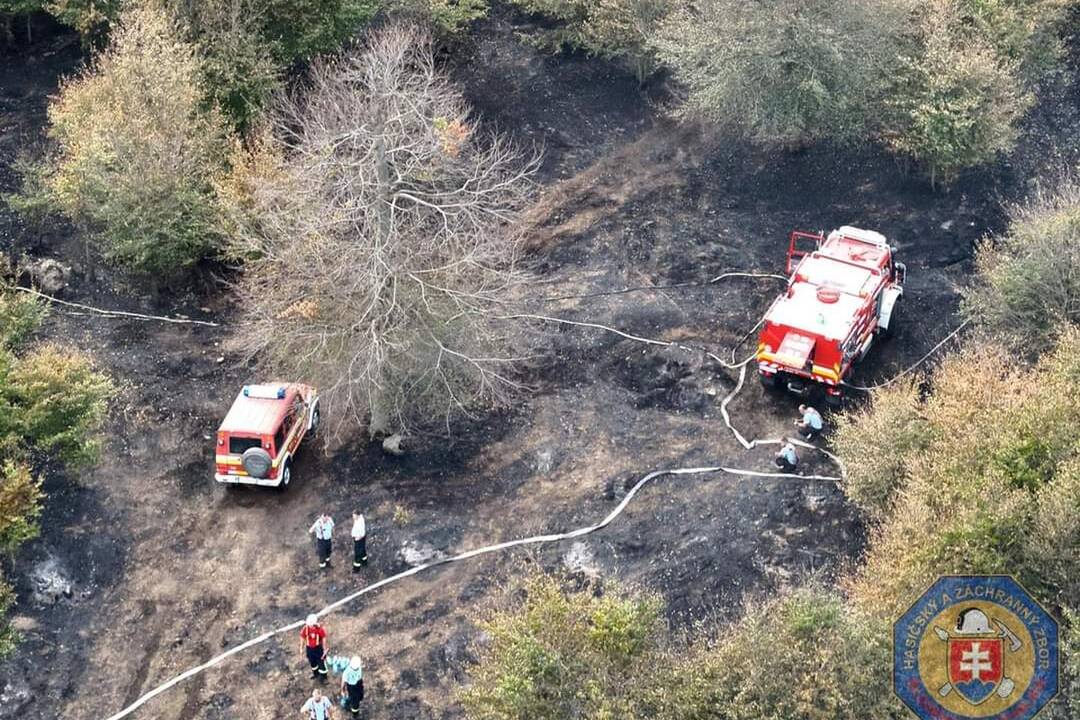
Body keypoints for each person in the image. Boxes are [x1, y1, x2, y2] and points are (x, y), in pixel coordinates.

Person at [301, 614, 329, 682]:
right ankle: (316, 674)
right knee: (312, 662)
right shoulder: (306, 628)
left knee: (321, 663)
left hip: (318, 649)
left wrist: (325, 649)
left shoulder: (319, 629)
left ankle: (323, 677)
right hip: (309, 649)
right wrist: (301, 648)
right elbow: (302, 637)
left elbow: (324, 638)